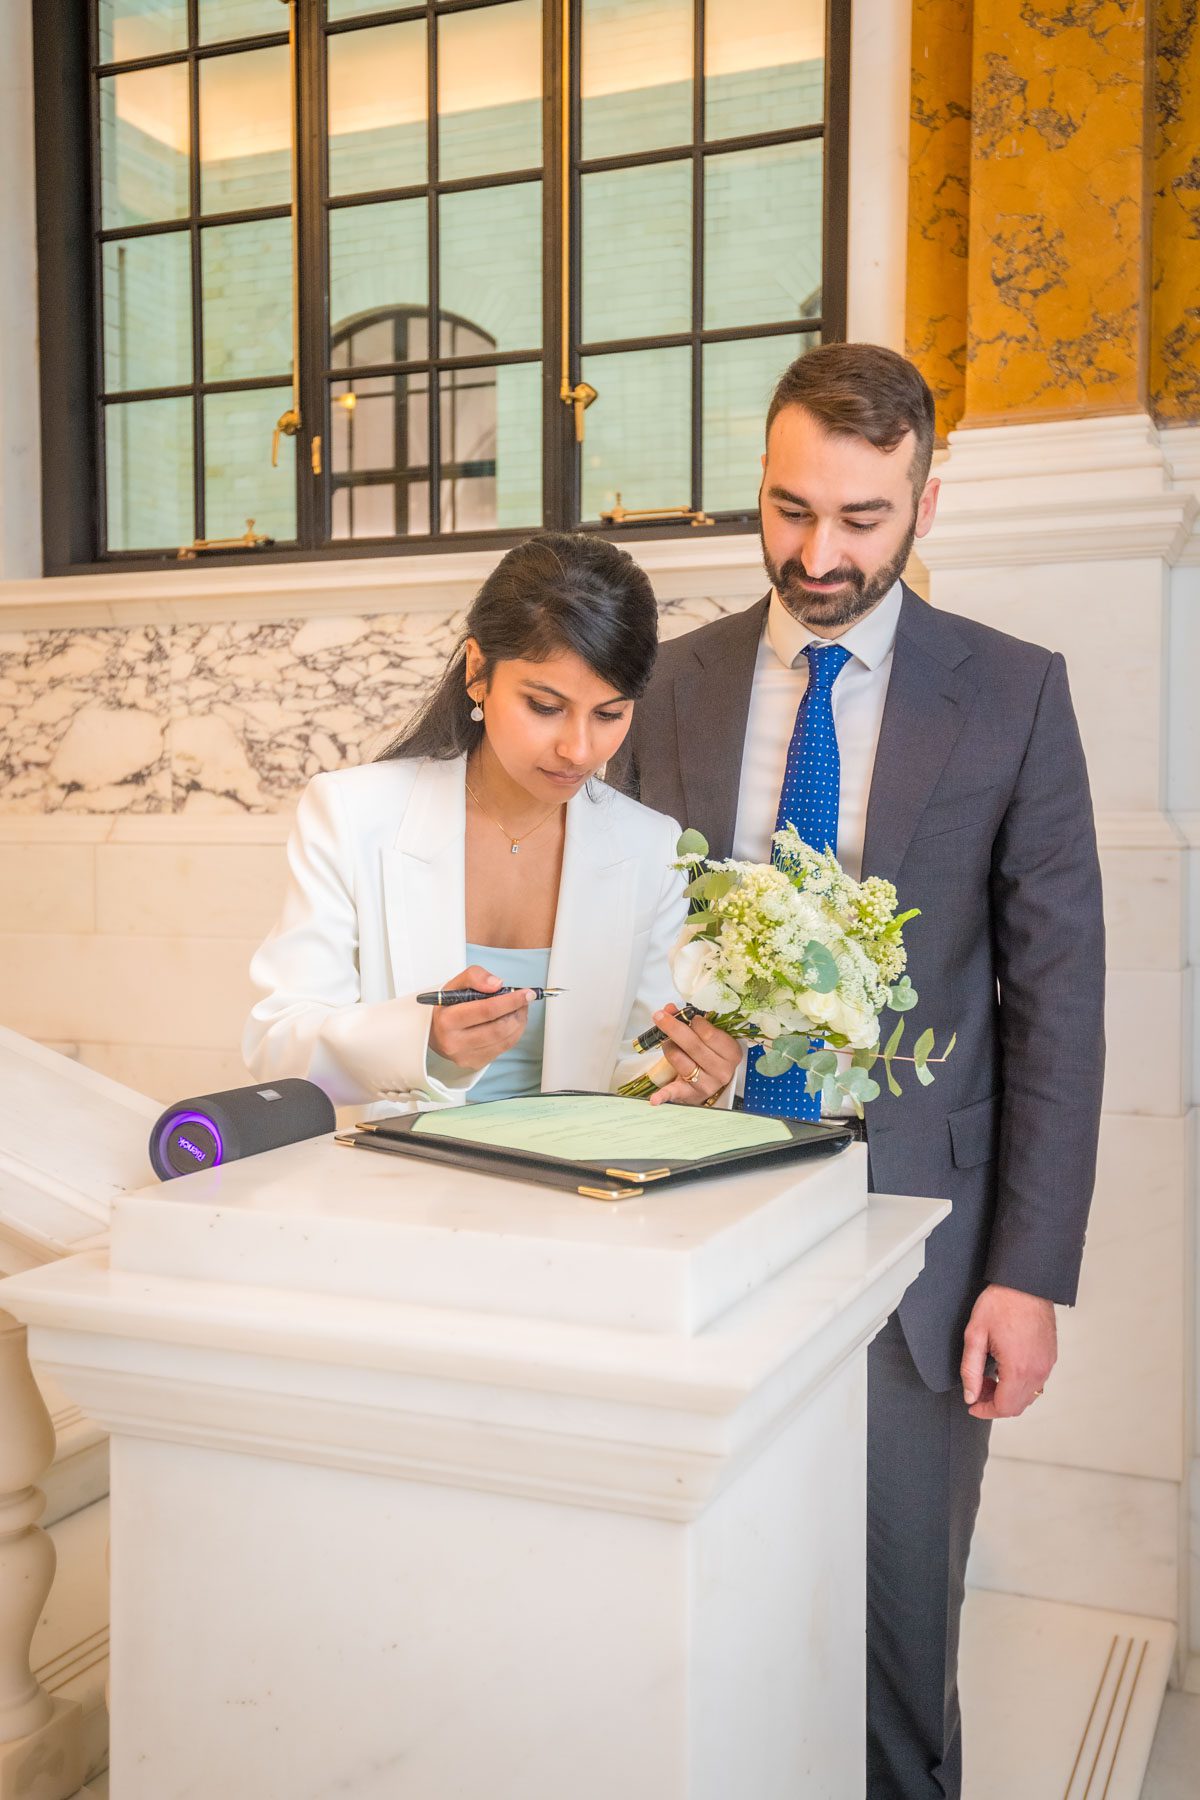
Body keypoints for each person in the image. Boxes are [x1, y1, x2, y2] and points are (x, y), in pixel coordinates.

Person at [608, 343, 1105, 1798]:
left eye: (861, 521)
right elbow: (620, 937)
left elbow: (1057, 1002)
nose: (816, 555)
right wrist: (656, 1047)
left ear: (926, 502)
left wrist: (1030, 1271)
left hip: (921, 1254)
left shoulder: (1013, 694)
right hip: (698, 1230)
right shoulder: (673, 684)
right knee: (696, 1625)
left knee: (895, 1653)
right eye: (786, 510)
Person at [243, 531, 742, 1113]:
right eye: (546, 707)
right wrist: (422, 1040)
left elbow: (631, 1073)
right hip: (397, 1188)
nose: (580, 750)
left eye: (609, 714)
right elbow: (275, 1045)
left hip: (579, 1187)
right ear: (478, 671)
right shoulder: (352, 816)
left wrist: (685, 1076)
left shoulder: (651, 847)